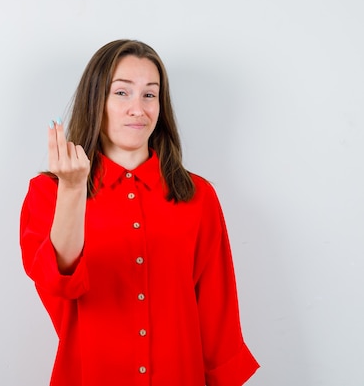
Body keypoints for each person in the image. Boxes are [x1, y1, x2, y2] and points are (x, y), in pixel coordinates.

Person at [19, 39, 259, 386]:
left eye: (150, 94)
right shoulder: (49, 193)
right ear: (95, 100)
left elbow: (218, 315)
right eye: (122, 93)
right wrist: (73, 189)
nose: (139, 109)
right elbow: (59, 281)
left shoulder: (198, 196)